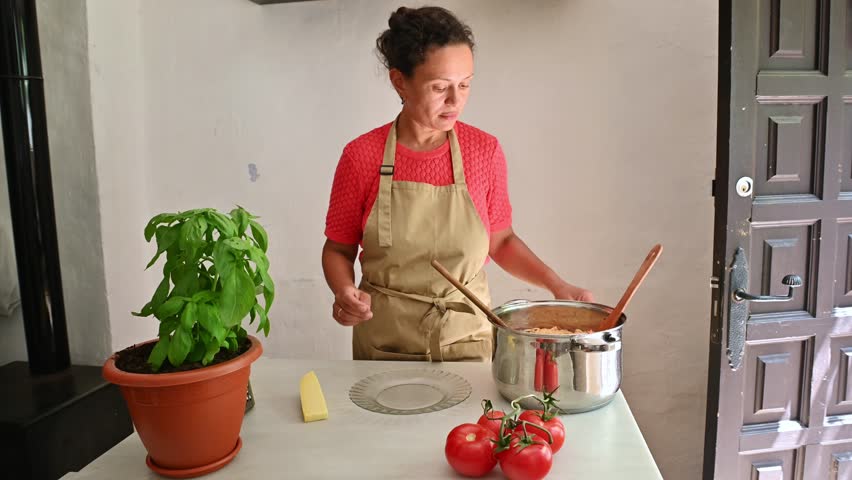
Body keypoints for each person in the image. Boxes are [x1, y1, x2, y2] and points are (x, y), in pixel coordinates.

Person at [322, 6, 593, 362]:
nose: (456, 101)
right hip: (384, 342)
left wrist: (556, 285)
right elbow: (338, 250)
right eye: (440, 87)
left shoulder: (483, 151)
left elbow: (502, 240)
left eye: (465, 84)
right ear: (399, 80)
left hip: (467, 338)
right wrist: (343, 291)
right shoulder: (361, 156)